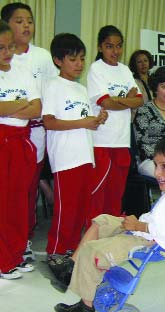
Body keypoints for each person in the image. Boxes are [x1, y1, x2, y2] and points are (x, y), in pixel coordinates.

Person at [53, 136, 165, 312]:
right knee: (103, 221)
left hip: (146, 240)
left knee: (93, 250)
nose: (157, 172)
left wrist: (139, 225)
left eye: (164, 166)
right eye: (156, 165)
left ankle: (85, 310)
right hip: (143, 229)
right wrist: (140, 222)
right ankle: (71, 268)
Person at [42, 34, 107, 262]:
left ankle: (71, 249)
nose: (79, 64)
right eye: (73, 59)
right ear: (58, 60)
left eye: (81, 58)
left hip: (85, 157)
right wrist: (84, 122)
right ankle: (56, 251)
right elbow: (48, 122)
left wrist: (97, 119)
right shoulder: (52, 86)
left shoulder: (81, 90)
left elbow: (85, 122)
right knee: (66, 209)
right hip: (66, 159)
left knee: (80, 209)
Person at [1, 2, 58, 261]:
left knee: (26, 190)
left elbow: (42, 101)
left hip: (33, 134)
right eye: (19, 20)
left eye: (30, 21)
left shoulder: (41, 57)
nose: (26, 26)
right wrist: (22, 106)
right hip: (7, 136)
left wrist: (14, 108)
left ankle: (21, 241)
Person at [87, 25, 143, 220]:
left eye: (119, 46)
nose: (115, 51)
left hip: (122, 140)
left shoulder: (125, 70)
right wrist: (126, 101)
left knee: (116, 193)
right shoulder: (96, 69)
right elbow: (106, 102)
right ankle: (93, 234)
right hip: (102, 141)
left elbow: (139, 100)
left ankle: (110, 233)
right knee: (98, 193)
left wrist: (117, 100)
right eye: (109, 46)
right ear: (100, 47)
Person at [0, 20, 41, 278]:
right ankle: (4, 260)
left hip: (22, 142)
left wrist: (9, 105)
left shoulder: (22, 71)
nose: (7, 52)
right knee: (3, 203)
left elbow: (36, 108)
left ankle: (15, 254)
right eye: (1, 47)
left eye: (10, 47)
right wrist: (20, 103)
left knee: (18, 203)